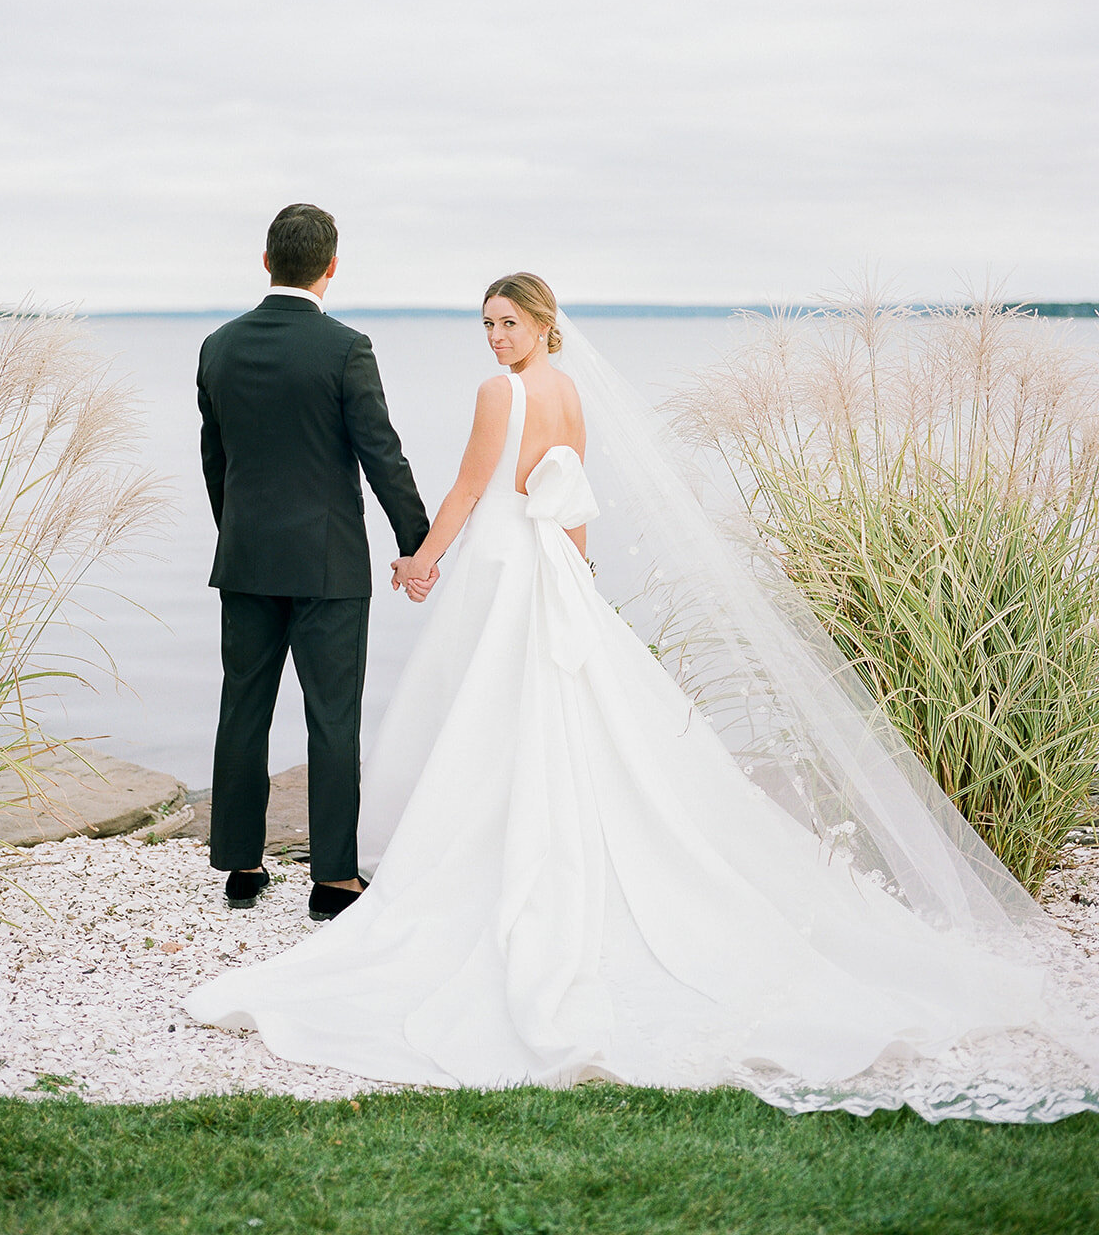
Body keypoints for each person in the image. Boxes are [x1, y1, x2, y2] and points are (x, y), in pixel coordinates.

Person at [186, 273, 1099, 1121]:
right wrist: (575, 573)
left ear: (544, 324)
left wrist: (422, 559)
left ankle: (465, 855)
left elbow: (473, 486)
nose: (497, 339)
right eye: (488, 327)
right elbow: (570, 493)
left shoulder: (497, 395)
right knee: (535, 712)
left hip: (509, 563)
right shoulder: (568, 390)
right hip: (543, 562)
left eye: (510, 324)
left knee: (486, 709)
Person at [196, 204, 431, 917]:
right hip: (327, 565)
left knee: (242, 708)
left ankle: (240, 866)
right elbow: (380, 452)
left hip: (245, 557)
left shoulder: (217, 346)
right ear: (332, 267)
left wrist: (235, 532)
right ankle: (333, 880)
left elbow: (216, 459)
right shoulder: (345, 348)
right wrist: (416, 543)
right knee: (332, 718)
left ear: (267, 262)